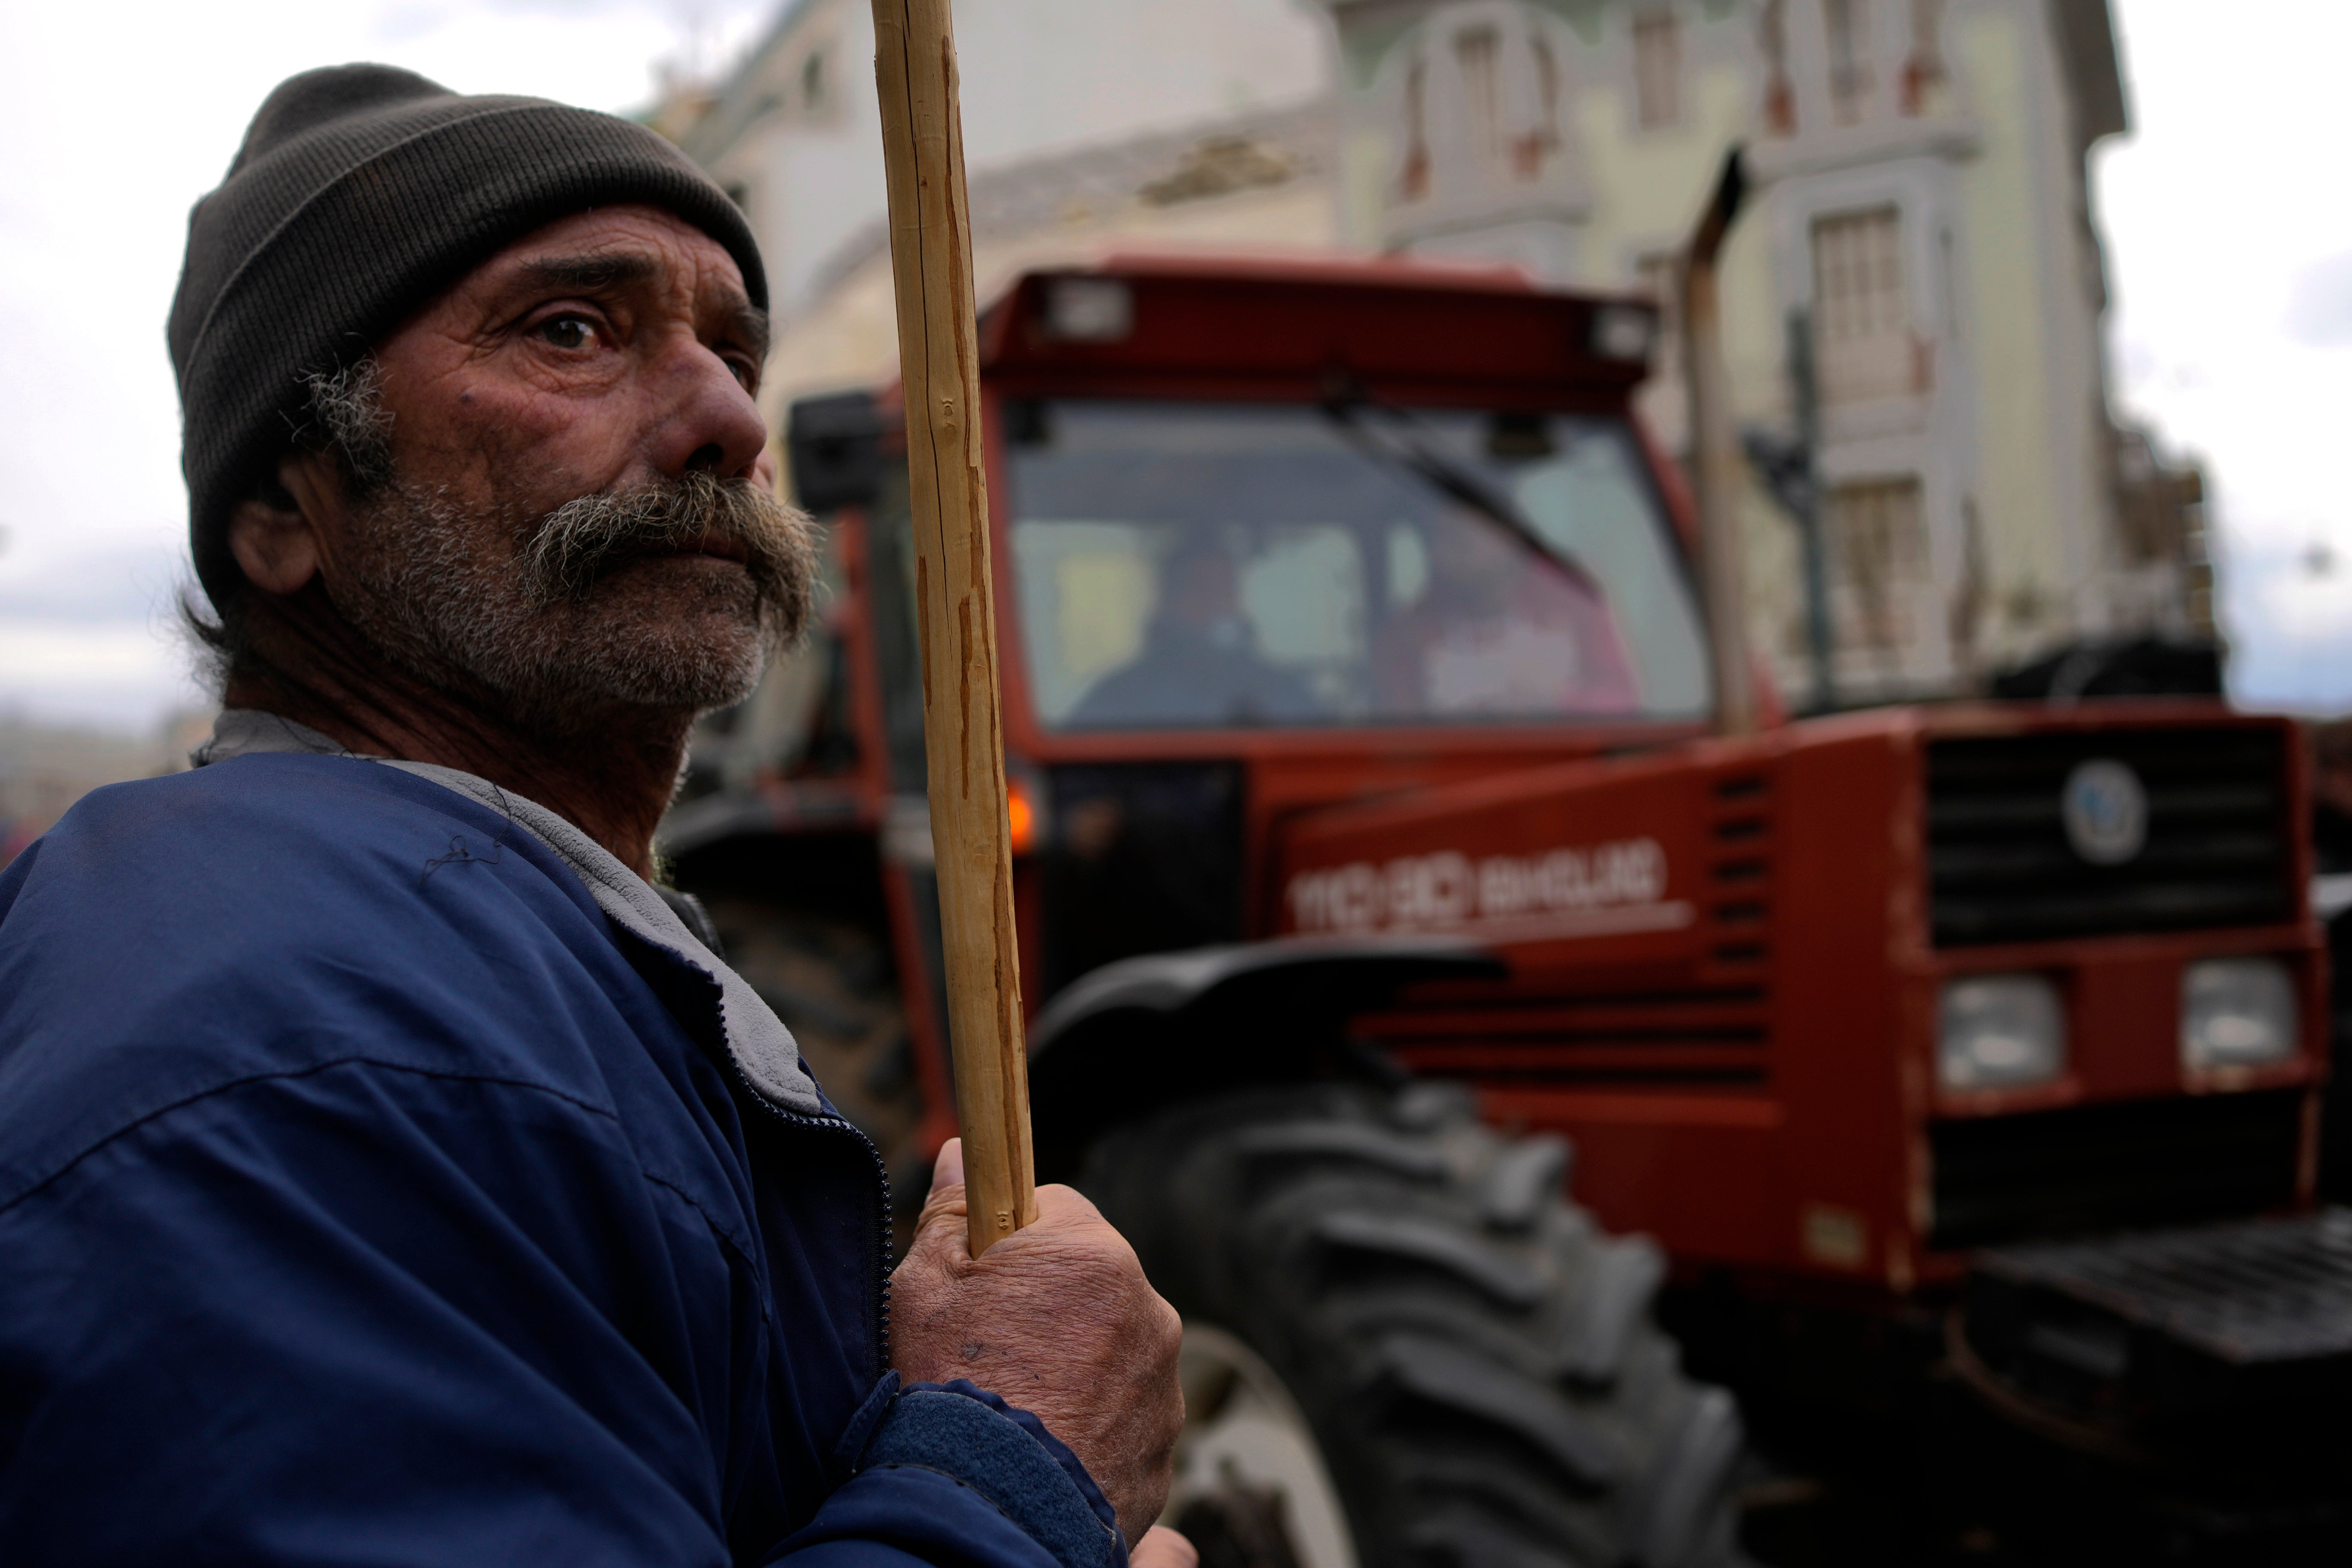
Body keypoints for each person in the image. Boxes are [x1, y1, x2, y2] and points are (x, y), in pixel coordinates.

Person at [0, 65, 1189, 1568]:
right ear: (284, 510)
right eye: (572, 330)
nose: (728, 418)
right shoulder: (291, 1037)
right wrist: (1017, 1467)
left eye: (732, 348)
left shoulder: (479, 956)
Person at [1373, 505, 1640, 720]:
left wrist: (1556, 705)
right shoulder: (1408, 635)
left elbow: (1622, 700)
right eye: (1439, 539)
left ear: (1506, 536)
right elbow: (1401, 734)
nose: (1446, 554)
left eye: (1462, 539)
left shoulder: (1572, 598)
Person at [1069, 540, 1321, 728]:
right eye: (1202, 589)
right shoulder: (1122, 699)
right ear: (1171, 600)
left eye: (1225, 589)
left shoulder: (1281, 692)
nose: (1217, 603)